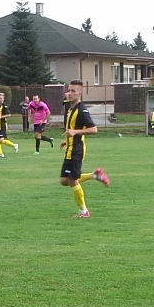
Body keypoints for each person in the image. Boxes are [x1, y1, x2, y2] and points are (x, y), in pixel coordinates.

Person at [60, 79, 110, 218]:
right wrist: (67, 140)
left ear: (80, 94)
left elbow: (94, 129)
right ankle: (94, 175)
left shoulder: (82, 110)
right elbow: (73, 128)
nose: (69, 93)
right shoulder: (70, 108)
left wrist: (75, 133)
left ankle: (84, 211)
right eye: (69, 90)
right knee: (64, 180)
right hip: (70, 148)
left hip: (76, 150)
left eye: (73, 91)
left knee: (72, 180)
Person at [0, 92, 20, 157]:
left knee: (1, 140)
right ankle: (0, 154)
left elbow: (9, 115)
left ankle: (14, 145)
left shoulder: (5, 106)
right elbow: (0, 115)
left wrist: (0, 117)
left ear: (3, 99)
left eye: (1, 98)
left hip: (2, 125)